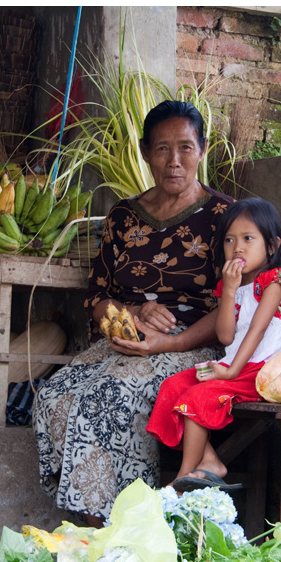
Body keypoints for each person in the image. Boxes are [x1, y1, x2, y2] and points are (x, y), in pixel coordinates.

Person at [32, 100, 235, 526]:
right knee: (55, 396)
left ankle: (128, 525)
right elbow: (96, 295)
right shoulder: (124, 216)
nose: (174, 162)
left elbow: (234, 308)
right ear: (145, 152)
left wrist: (170, 340)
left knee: (110, 397)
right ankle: (92, 524)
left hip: (194, 344)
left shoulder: (226, 218)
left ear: (203, 149)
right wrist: (134, 310)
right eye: (162, 149)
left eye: (185, 147)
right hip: (126, 338)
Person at [145, 198, 281, 492]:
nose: (237, 247)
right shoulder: (237, 286)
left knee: (198, 397)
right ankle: (210, 460)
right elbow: (226, 336)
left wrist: (229, 373)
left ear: (271, 246)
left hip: (261, 372)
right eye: (229, 240)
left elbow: (257, 330)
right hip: (234, 366)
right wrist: (228, 290)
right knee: (172, 388)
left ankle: (183, 477)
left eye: (248, 238)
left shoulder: (275, 281)